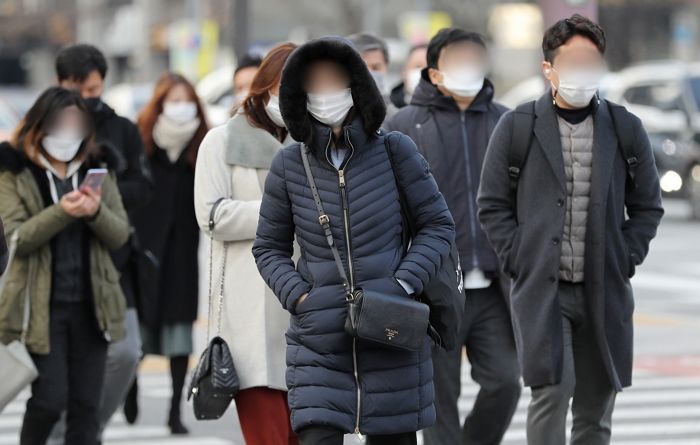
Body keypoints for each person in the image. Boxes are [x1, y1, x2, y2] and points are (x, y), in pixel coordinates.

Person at [252, 36, 455, 445]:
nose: (327, 92)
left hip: (391, 332)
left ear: (357, 86)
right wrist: (299, 297)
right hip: (319, 344)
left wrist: (402, 283)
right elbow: (268, 247)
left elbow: (438, 226)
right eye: (316, 84)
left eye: (336, 80)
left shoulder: (395, 150)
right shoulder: (289, 165)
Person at [477, 15, 664, 445]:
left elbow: (648, 205)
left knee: (596, 408)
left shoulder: (624, 127)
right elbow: (492, 205)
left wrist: (626, 255)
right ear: (549, 68)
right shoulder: (518, 126)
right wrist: (519, 256)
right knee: (551, 394)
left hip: (605, 289)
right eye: (573, 59)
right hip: (544, 290)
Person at [384, 27, 521, 445]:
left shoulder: (507, 121)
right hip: (435, 287)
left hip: (494, 284)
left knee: (505, 382)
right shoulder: (404, 125)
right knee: (440, 400)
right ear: (435, 72)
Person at [0, 86, 130, 445]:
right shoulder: (15, 170)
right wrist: (63, 212)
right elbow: (17, 238)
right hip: (39, 307)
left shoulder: (98, 168)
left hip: (92, 305)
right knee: (48, 401)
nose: (68, 131)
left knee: (87, 406)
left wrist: (94, 212)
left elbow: (120, 234)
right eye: (61, 122)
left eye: (76, 122)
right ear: (40, 125)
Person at [194, 42, 299, 445]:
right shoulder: (221, 141)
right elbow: (212, 215)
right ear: (265, 86)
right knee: (268, 437)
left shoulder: (316, 145)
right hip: (250, 314)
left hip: (309, 315)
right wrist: (282, 210)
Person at [54, 43, 152, 433]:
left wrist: (103, 196)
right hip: (58, 260)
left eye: (94, 90)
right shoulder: (41, 125)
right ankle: (65, 430)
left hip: (113, 260)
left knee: (127, 352)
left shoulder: (121, 129)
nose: (86, 99)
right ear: (61, 83)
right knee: (60, 365)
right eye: (78, 90)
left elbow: (144, 188)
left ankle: (88, 427)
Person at [128, 72, 209, 435]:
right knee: (141, 331)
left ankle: (174, 412)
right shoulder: (142, 142)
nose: (181, 108)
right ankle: (130, 389)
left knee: (179, 335)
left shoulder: (204, 145)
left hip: (182, 253)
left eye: (186, 99)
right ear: (160, 104)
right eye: (173, 100)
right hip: (144, 250)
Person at [347, 32, 397, 117]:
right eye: (361, 67)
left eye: (375, 68)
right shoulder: (333, 119)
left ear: (386, 67)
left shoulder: (399, 121)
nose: (369, 74)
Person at [389, 44, 427, 110]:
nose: (424, 72)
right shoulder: (390, 108)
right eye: (418, 66)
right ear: (404, 72)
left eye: (428, 67)